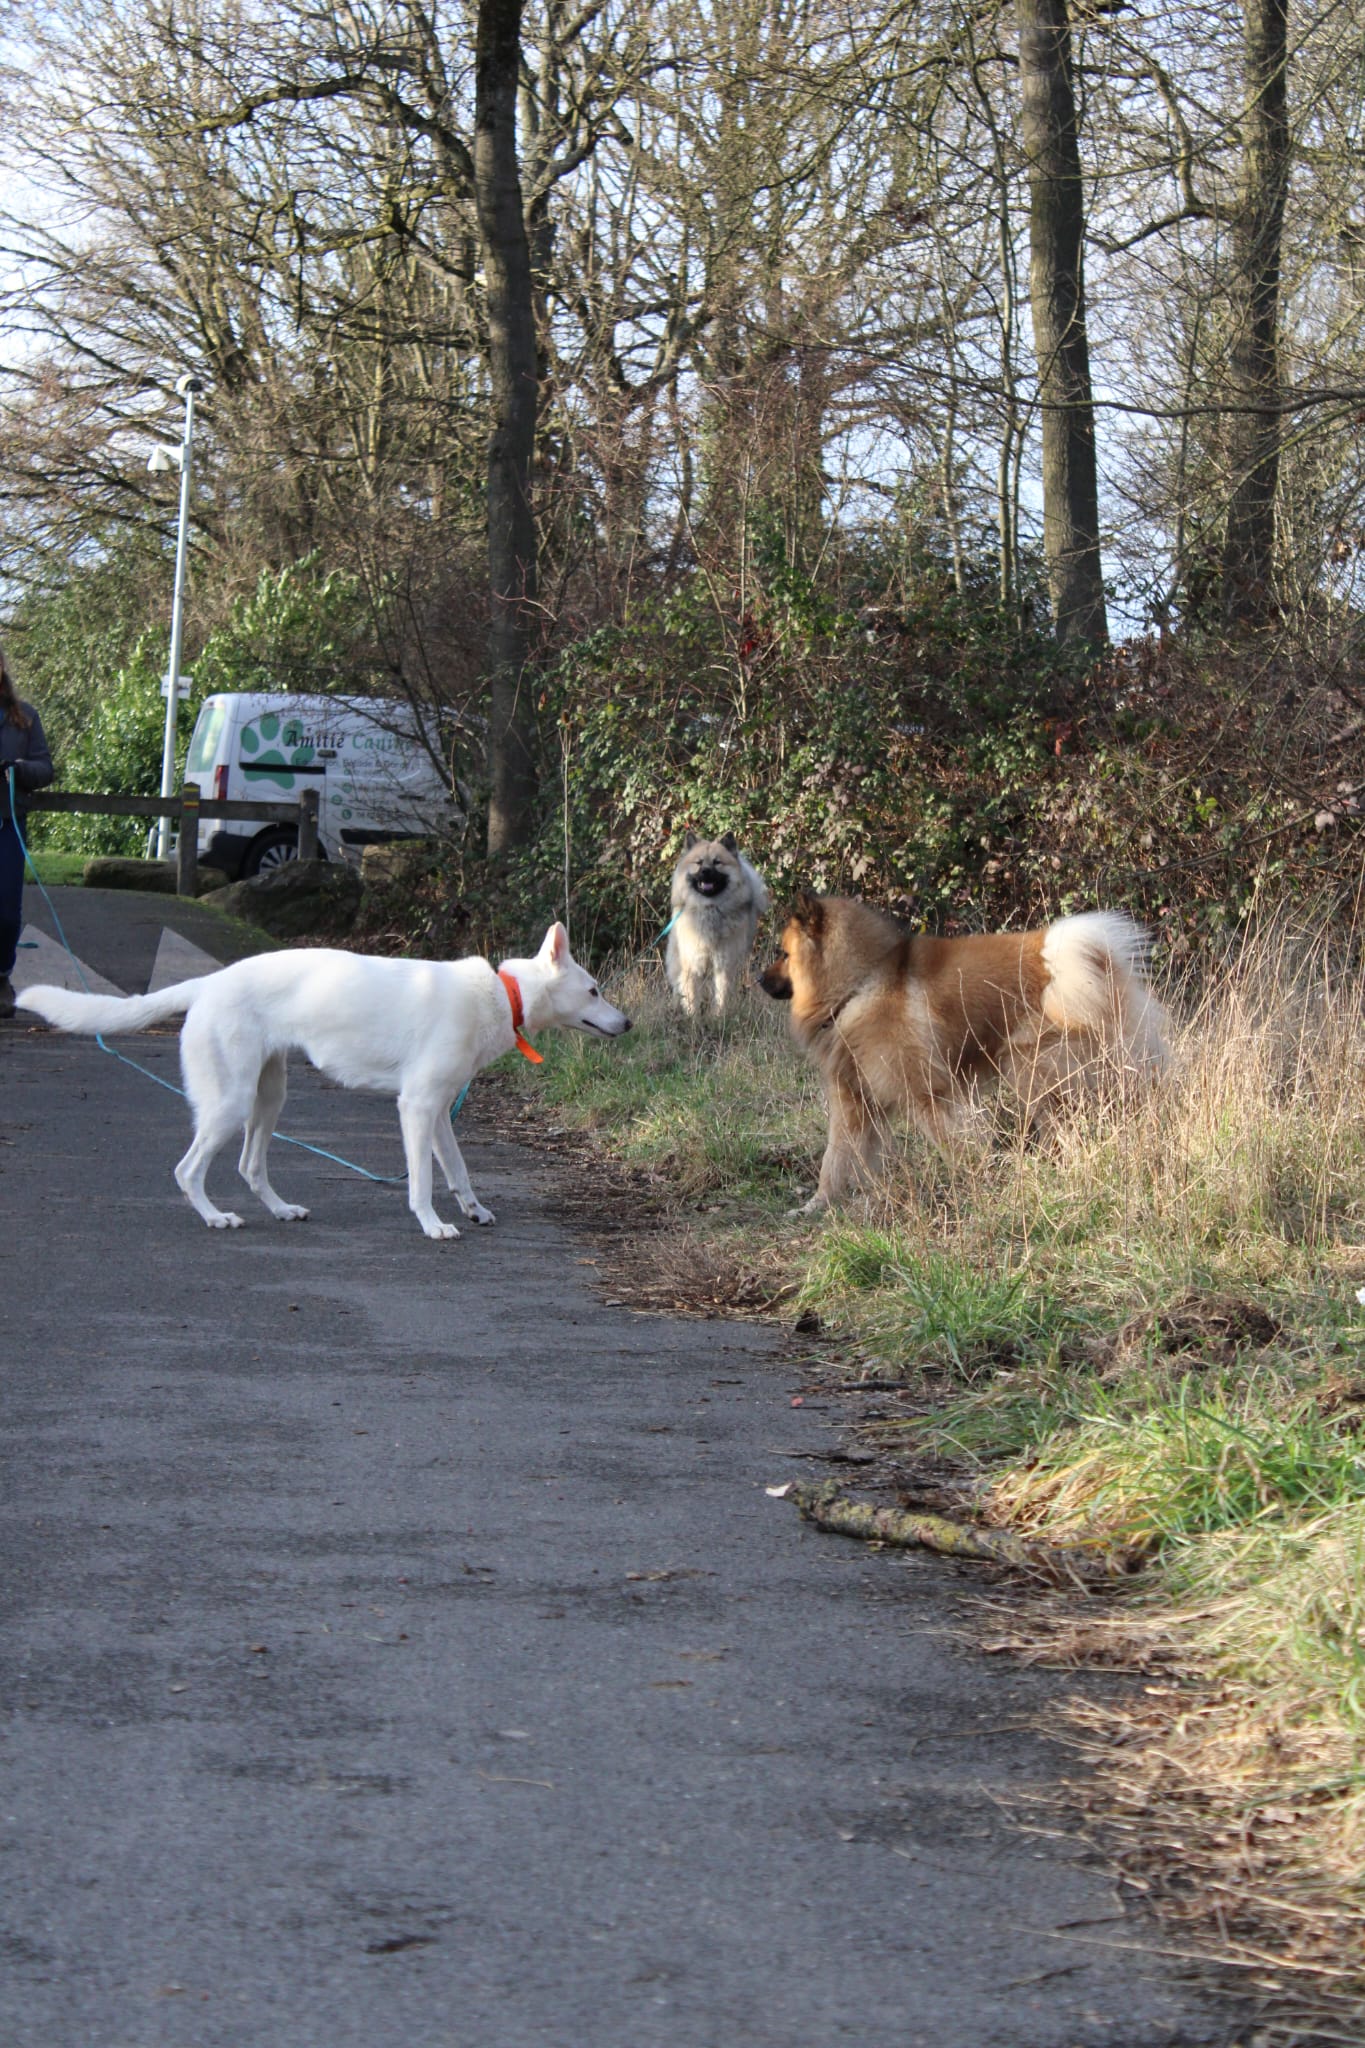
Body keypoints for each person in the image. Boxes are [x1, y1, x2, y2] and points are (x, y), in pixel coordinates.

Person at [0, 652, 54, 1019]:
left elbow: (46, 768)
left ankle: (2, 977)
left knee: (5, 912)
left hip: (8, 825)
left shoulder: (26, 717)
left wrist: (18, 769)